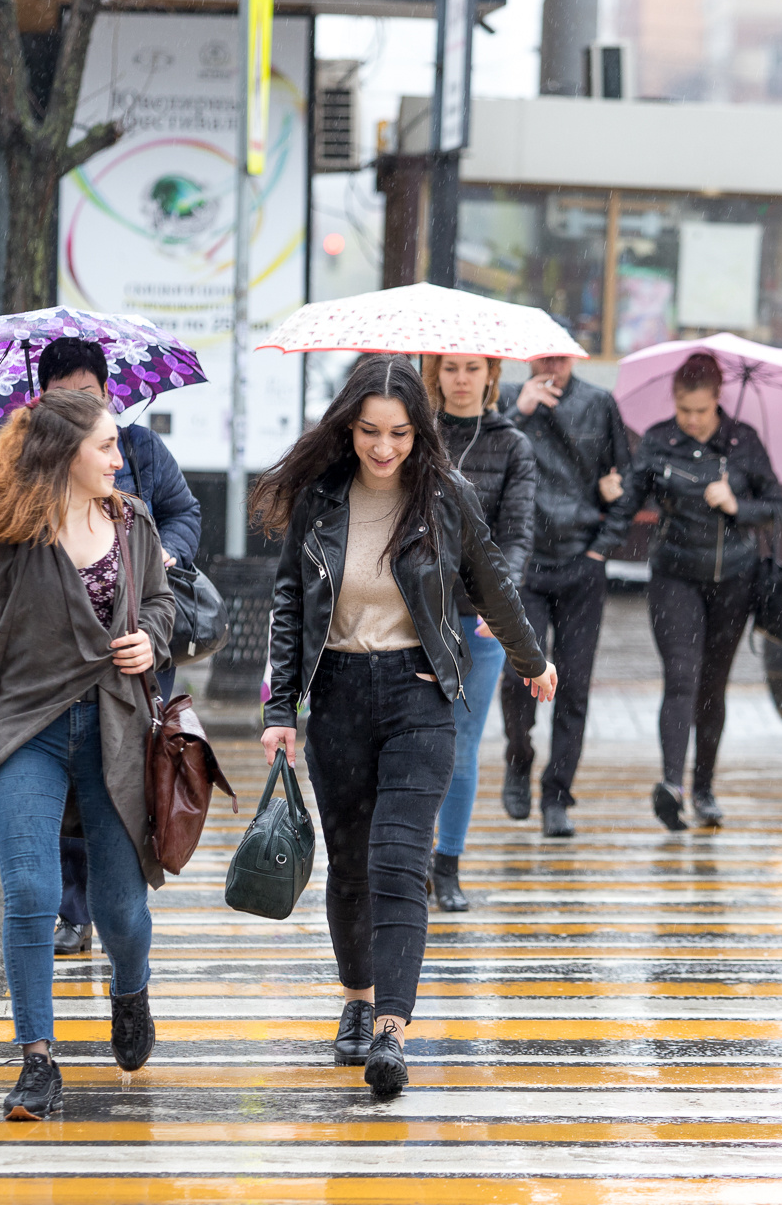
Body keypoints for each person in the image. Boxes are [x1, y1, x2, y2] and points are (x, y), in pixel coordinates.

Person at [255, 355, 556, 1099]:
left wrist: (532, 661)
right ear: (349, 428)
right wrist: (278, 711)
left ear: (418, 433)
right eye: (369, 433)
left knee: (398, 864)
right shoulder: (322, 497)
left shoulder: (445, 496)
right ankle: (355, 1004)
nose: (384, 449)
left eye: (398, 434)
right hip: (339, 697)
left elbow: (491, 579)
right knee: (351, 865)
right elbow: (291, 601)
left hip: (420, 695)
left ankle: (391, 1028)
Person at [0, 389, 177, 1120]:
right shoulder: (6, 531)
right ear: (63, 454)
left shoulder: (132, 522)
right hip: (25, 728)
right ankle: (37, 1062)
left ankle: (130, 990)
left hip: (114, 729)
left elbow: (165, 603)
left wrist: (151, 639)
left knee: (120, 908)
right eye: (104, 446)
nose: (117, 457)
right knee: (33, 896)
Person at [37, 337, 203, 958]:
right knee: (64, 796)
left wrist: (164, 553)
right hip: (55, 669)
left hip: (133, 657)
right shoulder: (24, 470)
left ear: (108, 394)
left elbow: (185, 513)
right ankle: (75, 911)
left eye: (88, 394)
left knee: (121, 791)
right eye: (63, 396)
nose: (79, 407)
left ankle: (119, 905)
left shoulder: (137, 451)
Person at [588, 352, 782, 831]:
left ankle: (705, 788)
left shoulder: (744, 442)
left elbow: (774, 505)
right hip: (675, 575)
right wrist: (597, 550)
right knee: (681, 676)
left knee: (713, 689)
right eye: (683, 410)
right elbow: (628, 502)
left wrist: (737, 505)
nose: (692, 420)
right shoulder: (658, 441)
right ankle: (672, 785)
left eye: (700, 410)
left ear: (717, 399)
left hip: (733, 579)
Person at [496, 354, 632, 837]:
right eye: (541, 356)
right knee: (518, 679)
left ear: (574, 356)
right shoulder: (508, 397)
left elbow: (627, 481)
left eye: (560, 356)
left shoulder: (599, 402)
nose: (551, 364)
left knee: (574, 684)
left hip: (581, 562)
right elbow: (483, 465)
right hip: (525, 564)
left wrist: (601, 548)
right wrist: (520, 411)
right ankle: (519, 756)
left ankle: (557, 796)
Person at [423, 353, 536, 912]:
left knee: (463, 744)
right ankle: (412, 857)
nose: (461, 380)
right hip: (419, 613)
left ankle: (448, 864)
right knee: (416, 739)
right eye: (450, 369)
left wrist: (503, 597)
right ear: (435, 374)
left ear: (491, 375)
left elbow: (517, 533)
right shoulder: (415, 435)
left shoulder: (512, 444)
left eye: (472, 369)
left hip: (479, 617)